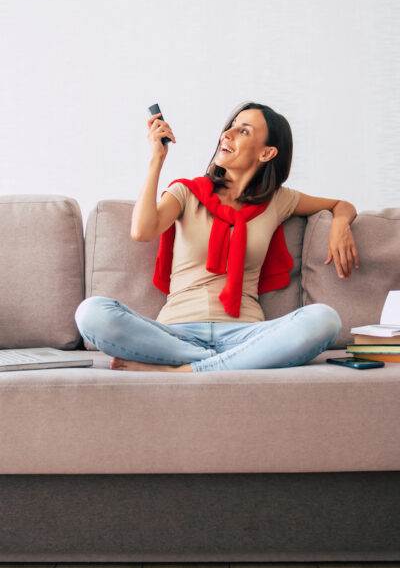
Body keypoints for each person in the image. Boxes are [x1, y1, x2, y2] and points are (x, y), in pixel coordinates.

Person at [74, 101, 359, 373]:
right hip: (174, 334)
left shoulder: (278, 200)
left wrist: (341, 224)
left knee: (324, 319)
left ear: (267, 153)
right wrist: (156, 159)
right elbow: (142, 231)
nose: (228, 133)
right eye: (232, 125)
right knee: (91, 313)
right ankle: (223, 364)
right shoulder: (186, 192)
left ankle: (186, 369)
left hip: (246, 333)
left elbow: (341, 205)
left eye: (244, 130)